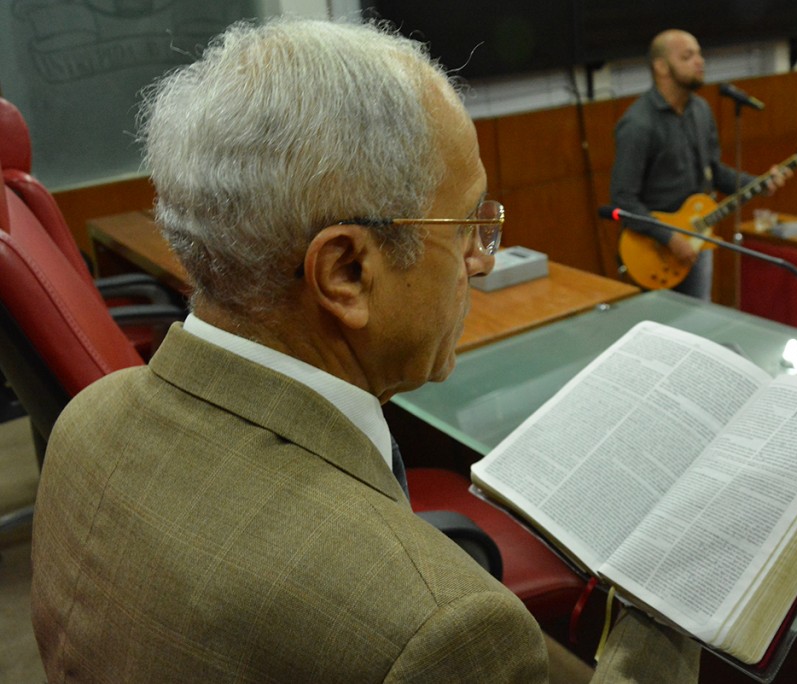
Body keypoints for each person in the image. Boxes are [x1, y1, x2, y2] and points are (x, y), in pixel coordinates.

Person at [30, 17, 700, 683]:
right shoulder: (433, 630)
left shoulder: (85, 423)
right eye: (468, 223)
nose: (483, 260)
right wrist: (673, 593)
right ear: (346, 272)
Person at [610, 29, 787, 300]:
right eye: (687, 56)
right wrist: (669, 237)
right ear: (661, 66)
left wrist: (758, 183)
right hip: (653, 251)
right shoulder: (638, 124)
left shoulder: (701, 111)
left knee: (698, 324)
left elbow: (713, 172)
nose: (699, 61)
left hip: (698, 241)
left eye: (700, 54)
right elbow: (622, 200)